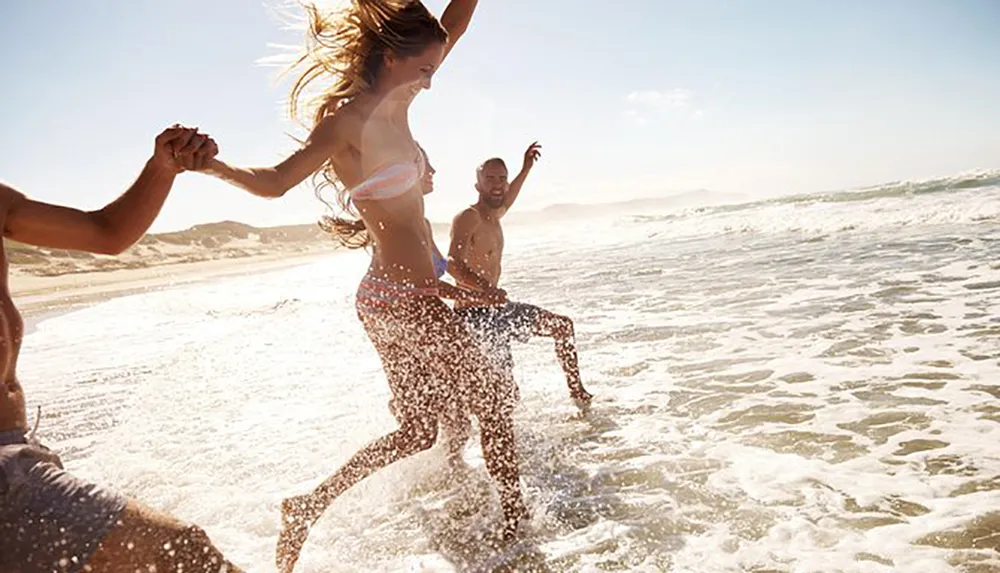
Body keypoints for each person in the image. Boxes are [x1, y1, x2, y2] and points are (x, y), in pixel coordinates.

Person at [198, 2, 527, 571]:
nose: (431, 79)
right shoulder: (348, 121)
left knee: (420, 430)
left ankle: (306, 505)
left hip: (397, 296)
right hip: (399, 300)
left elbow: (455, 25)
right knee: (493, 400)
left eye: (434, 69)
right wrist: (212, 166)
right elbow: (276, 182)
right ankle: (519, 523)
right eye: (424, 69)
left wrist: (453, 282)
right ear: (393, 57)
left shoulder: (403, 100)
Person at [0, 126, 245, 573]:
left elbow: (106, 232)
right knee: (186, 555)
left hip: (17, 452)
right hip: (9, 482)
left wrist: (163, 168)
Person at [448, 142, 594, 411]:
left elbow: (508, 197)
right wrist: (484, 290)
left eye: (502, 178)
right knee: (505, 396)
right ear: (477, 184)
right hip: (474, 317)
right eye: (490, 178)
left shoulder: (495, 215)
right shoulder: (469, 217)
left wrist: (525, 168)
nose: (497, 184)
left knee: (562, 326)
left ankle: (579, 395)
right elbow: (452, 264)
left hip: (499, 310)